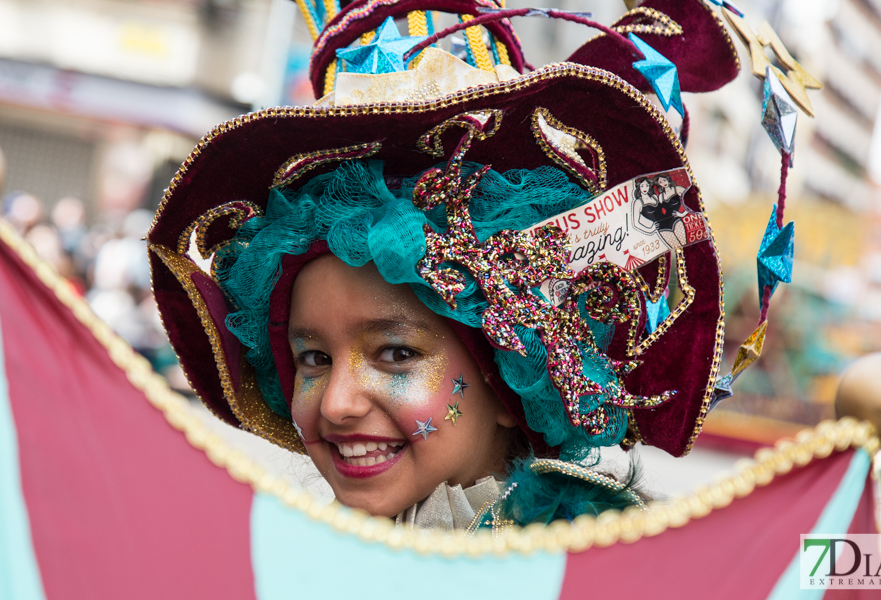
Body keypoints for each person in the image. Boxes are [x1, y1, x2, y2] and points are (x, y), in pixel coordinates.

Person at [149, 0, 741, 531]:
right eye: (313, 359)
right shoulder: (269, 557)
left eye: (396, 353)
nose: (336, 404)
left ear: (514, 374)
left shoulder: (608, 574)